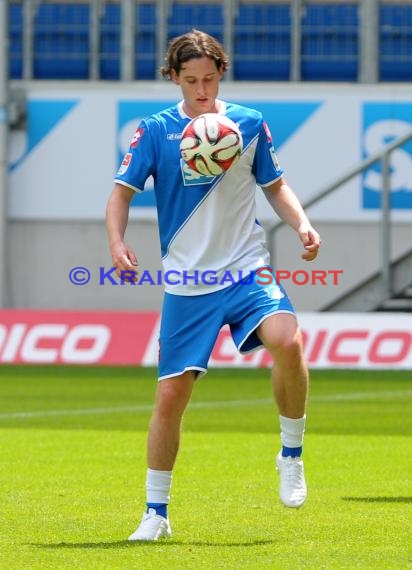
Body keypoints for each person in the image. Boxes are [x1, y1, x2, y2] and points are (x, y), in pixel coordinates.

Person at [106, 29, 321, 542]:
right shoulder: (155, 131)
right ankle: (156, 513)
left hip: (247, 269)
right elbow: (120, 194)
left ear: (221, 72)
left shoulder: (247, 123)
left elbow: (276, 185)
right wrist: (116, 243)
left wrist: (303, 224)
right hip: (188, 281)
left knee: (288, 341)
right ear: (173, 77)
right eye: (189, 81)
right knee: (171, 397)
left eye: (209, 79)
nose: (200, 90)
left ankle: (291, 453)